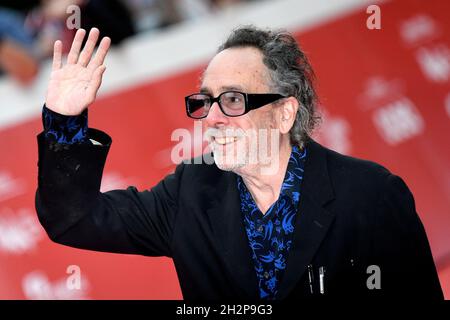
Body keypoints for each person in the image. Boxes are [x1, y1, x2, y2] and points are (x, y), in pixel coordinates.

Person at [35, 26, 443, 300]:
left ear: (284, 114)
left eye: (232, 100)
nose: (210, 118)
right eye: (205, 101)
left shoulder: (370, 195)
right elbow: (74, 219)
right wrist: (64, 123)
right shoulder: (189, 194)